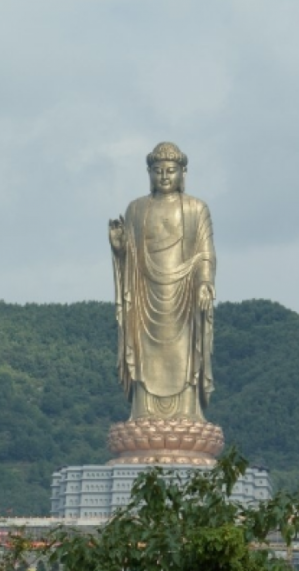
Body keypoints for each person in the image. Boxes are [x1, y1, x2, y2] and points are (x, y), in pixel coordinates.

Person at [109, 142, 215, 421]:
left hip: (185, 296)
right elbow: (129, 257)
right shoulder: (136, 209)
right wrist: (119, 249)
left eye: (171, 170)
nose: (164, 177)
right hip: (145, 296)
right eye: (158, 171)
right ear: (149, 173)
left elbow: (205, 254)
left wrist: (204, 283)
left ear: (183, 173)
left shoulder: (195, 209)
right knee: (144, 354)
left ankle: (188, 413)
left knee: (186, 354)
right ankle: (142, 414)